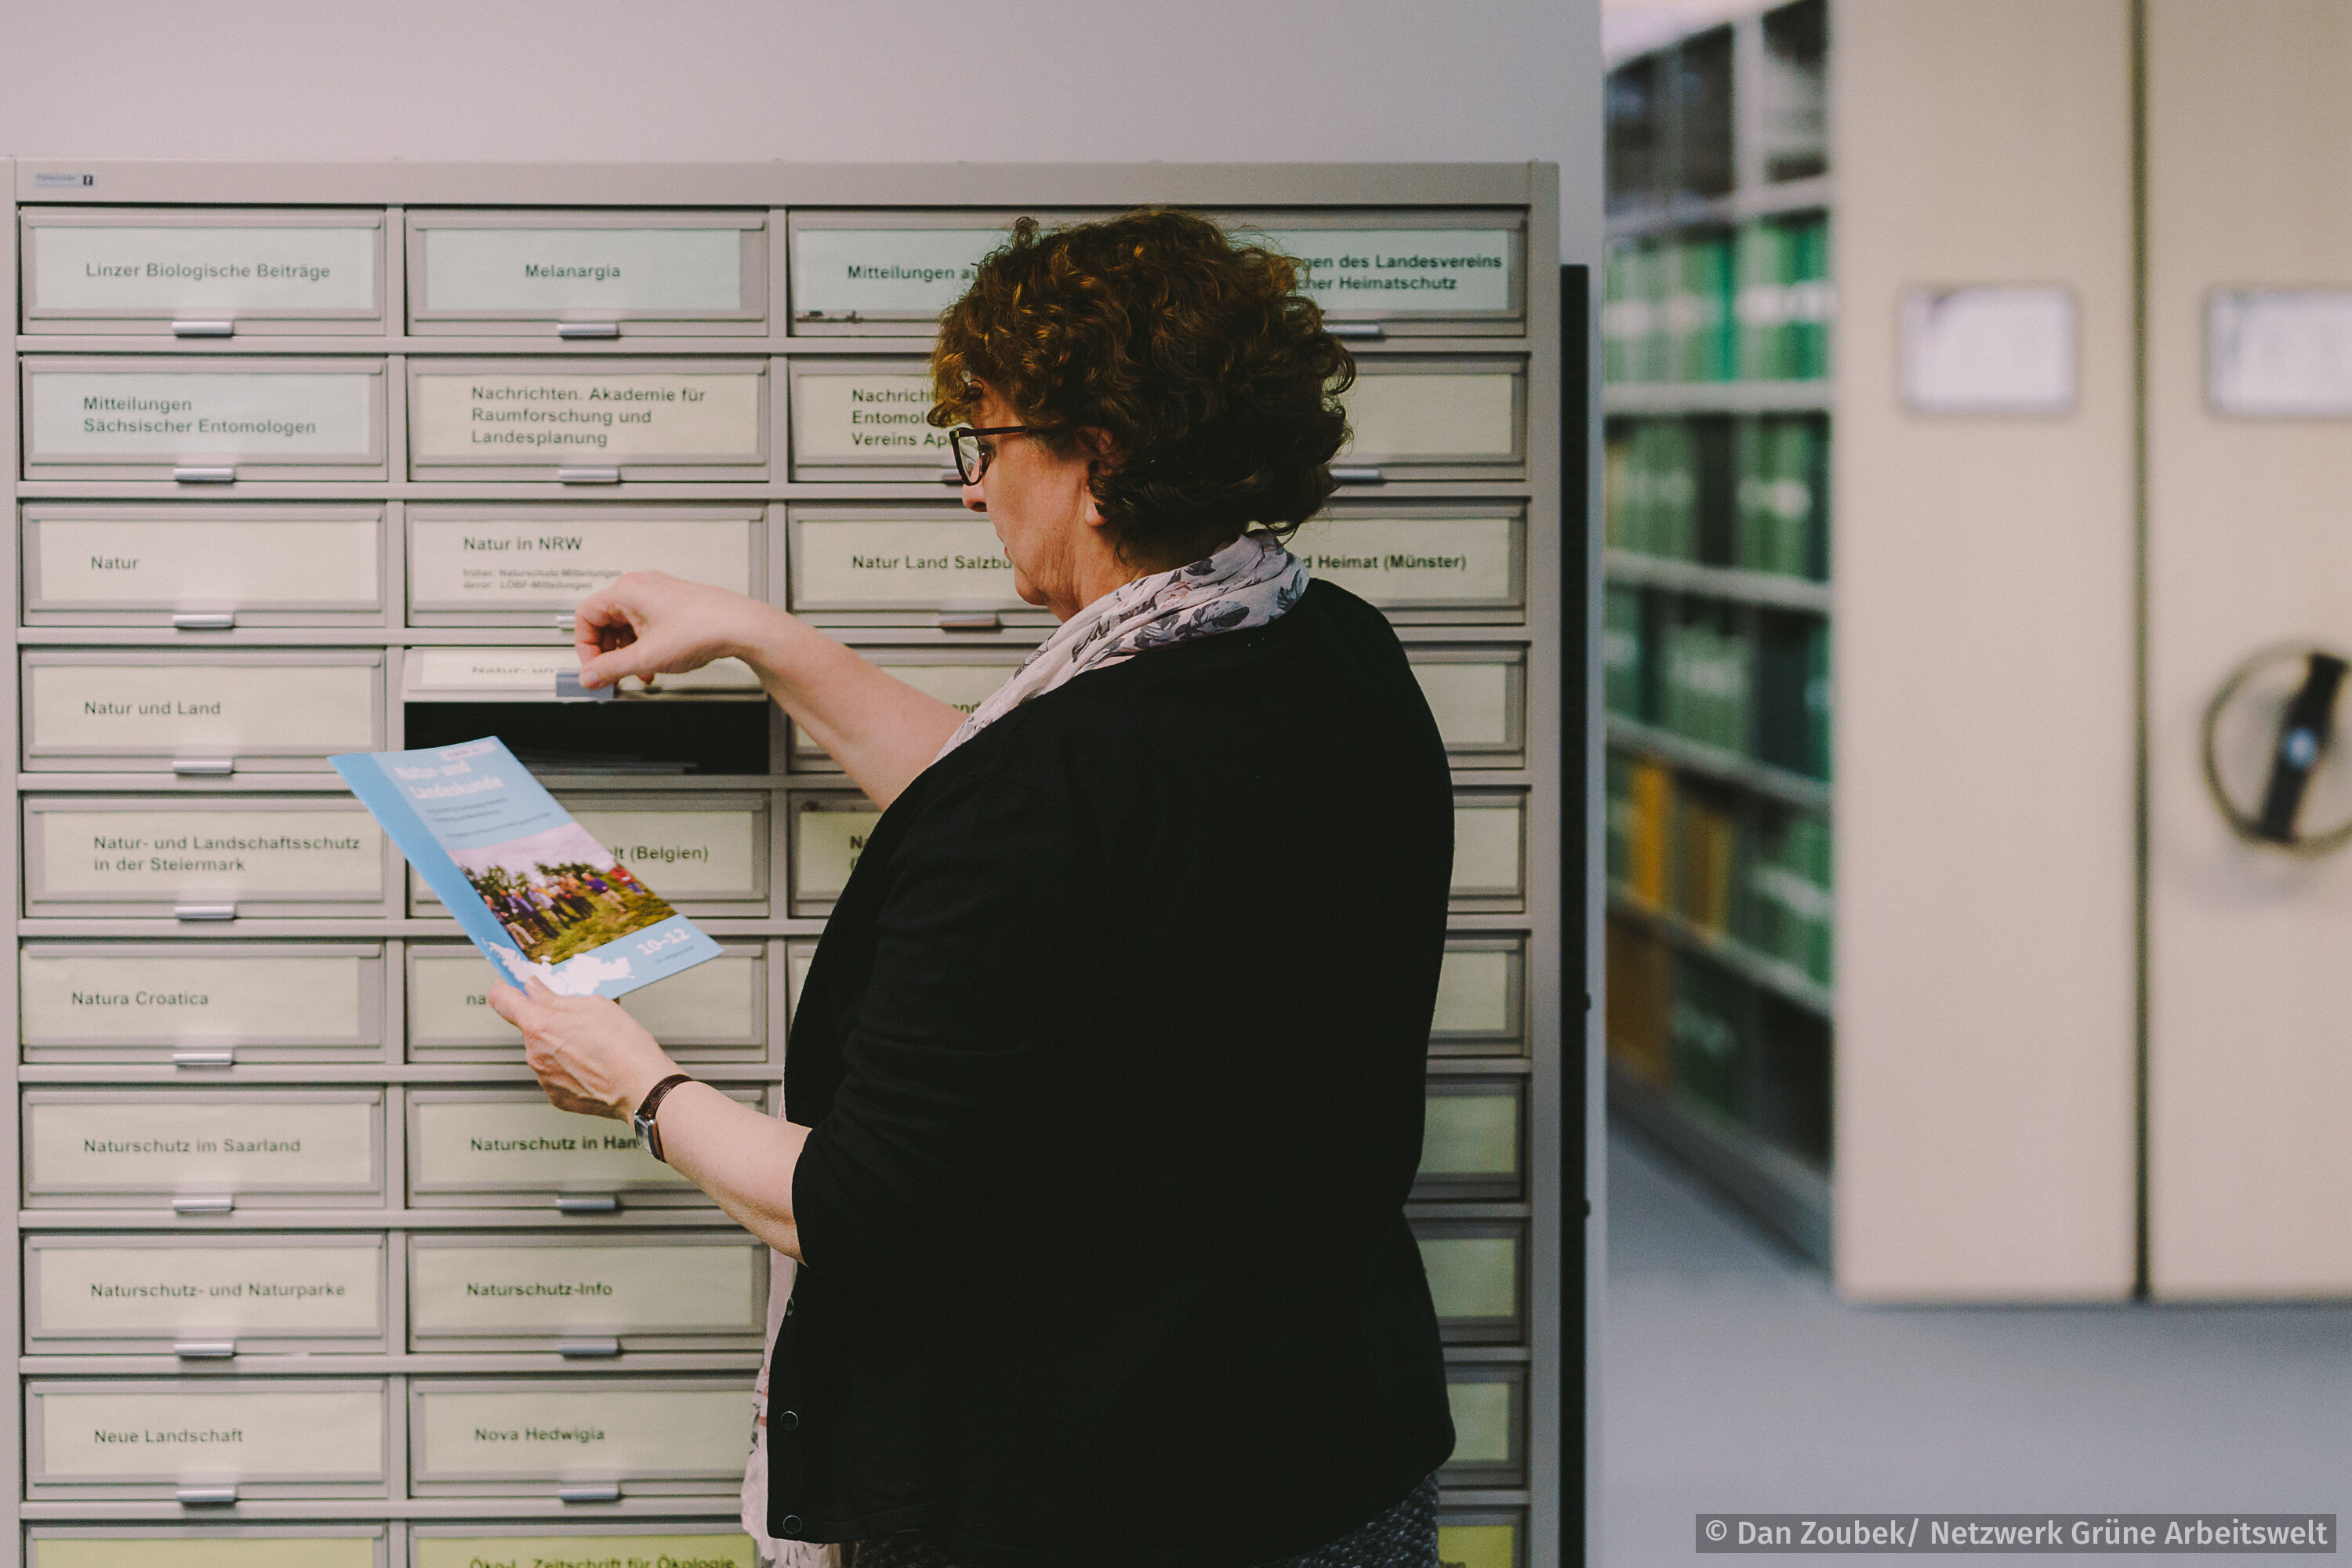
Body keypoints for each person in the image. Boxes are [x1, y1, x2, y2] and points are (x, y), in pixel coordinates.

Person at [489, 209, 1457, 1568]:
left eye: (987, 443)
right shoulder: (1331, 650)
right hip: (1335, 1443)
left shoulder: (1052, 793)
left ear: (1094, 460)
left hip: (1095, 1497)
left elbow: (857, 1208)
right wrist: (765, 638)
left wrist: (636, 1086)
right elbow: (1061, 822)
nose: (971, 490)